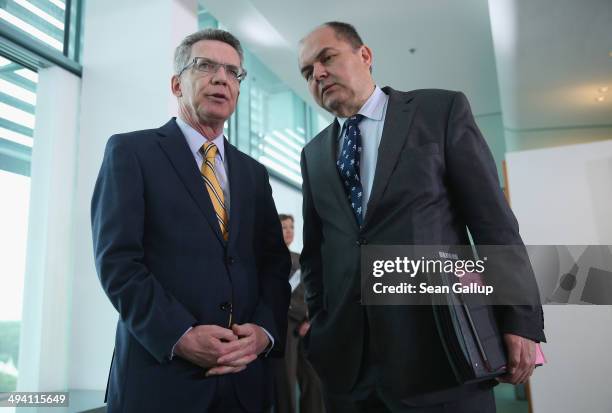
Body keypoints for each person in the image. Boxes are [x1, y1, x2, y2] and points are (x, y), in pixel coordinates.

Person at [297, 21, 545, 412]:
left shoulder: (439, 111)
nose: (319, 74)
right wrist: (320, 324)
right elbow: (316, 252)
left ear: (365, 55)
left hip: (442, 354)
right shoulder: (313, 154)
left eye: (327, 58)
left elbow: (493, 225)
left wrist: (519, 320)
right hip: (349, 370)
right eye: (308, 72)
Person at [91, 28, 291, 413]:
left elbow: (274, 264)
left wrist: (264, 333)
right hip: (161, 380)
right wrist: (178, 335)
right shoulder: (131, 152)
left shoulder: (254, 173)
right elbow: (118, 262)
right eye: (205, 66)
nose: (221, 78)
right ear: (176, 84)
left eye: (233, 72)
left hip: (245, 384)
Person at [273, 214, 325, 413]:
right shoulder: (270, 260)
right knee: (285, 381)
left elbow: (313, 292)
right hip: (284, 326)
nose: (288, 231)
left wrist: (310, 319)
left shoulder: (301, 259)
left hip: (306, 326)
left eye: (291, 227)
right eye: (284, 227)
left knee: (313, 379)